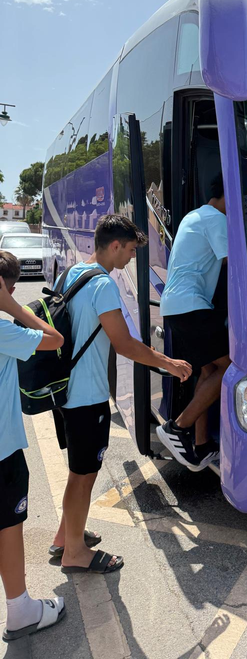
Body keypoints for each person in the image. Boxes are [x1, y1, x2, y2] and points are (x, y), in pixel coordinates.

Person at [52, 215, 192, 575]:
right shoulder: (103, 283)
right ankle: (75, 553)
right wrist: (168, 363)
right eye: (130, 250)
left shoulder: (70, 274)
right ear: (114, 245)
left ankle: (65, 537)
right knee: (84, 475)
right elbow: (125, 344)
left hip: (64, 390)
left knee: (78, 471)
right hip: (87, 396)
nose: (131, 257)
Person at [0, 251, 66, 641]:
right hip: (3, 450)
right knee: (8, 526)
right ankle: (20, 610)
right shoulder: (3, 330)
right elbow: (55, 339)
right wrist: (12, 308)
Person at [157, 173, 230, 471]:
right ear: (229, 195)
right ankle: (178, 427)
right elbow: (234, 263)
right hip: (192, 306)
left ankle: (202, 444)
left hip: (176, 306)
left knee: (209, 370)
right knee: (229, 368)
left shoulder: (194, 215)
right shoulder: (217, 220)